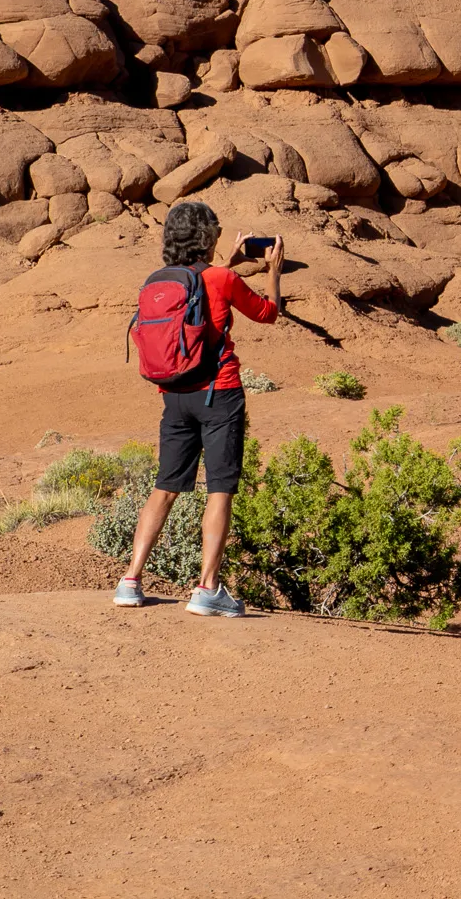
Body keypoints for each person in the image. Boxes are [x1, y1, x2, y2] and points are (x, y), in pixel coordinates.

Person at [114, 201, 283, 615]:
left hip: (174, 395)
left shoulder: (160, 280)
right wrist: (273, 271)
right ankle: (207, 588)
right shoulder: (222, 278)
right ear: (208, 236)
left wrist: (230, 264)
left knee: (165, 486)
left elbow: (202, 290)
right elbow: (267, 313)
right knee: (220, 488)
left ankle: (130, 580)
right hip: (218, 394)